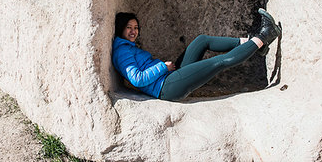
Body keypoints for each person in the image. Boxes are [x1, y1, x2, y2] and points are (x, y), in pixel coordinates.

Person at [112, 9, 282, 101]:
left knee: (201, 41)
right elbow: (137, 79)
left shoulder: (129, 47)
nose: (133, 31)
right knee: (218, 62)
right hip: (166, 88)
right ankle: (265, 35)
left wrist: (165, 69)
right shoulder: (122, 51)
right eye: (129, 27)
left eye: (135, 27)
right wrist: (162, 67)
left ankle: (250, 43)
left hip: (168, 77)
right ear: (121, 28)